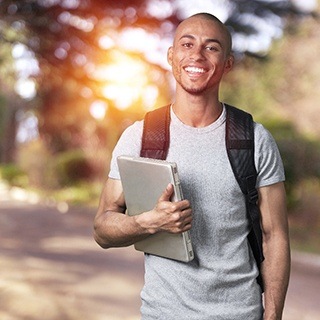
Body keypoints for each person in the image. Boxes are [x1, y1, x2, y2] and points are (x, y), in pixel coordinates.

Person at [94, 12, 290, 320]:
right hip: (163, 313)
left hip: (240, 313)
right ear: (172, 56)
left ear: (227, 62)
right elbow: (103, 229)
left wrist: (273, 314)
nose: (196, 54)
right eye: (187, 44)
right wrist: (149, 222)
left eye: (211, 47)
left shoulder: (254, 139)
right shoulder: (140, 136)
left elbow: (274, 234)